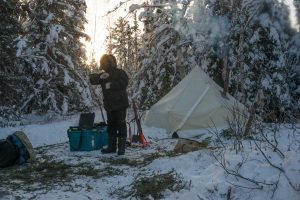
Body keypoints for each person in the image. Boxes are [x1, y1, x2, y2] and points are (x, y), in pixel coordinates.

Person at [90, 54, 129, 155]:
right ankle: (111, 147)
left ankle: (121, 148)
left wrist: (111, 84)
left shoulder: (120, 73)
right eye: (103, 63)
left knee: (121, 125)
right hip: (110, 106)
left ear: (111, 63)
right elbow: (93, 80)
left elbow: (124, 83)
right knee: (111, 127)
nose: (104, 65)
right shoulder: (104, 75)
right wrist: (98, 76)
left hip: (120, 104)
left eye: (106, 63)